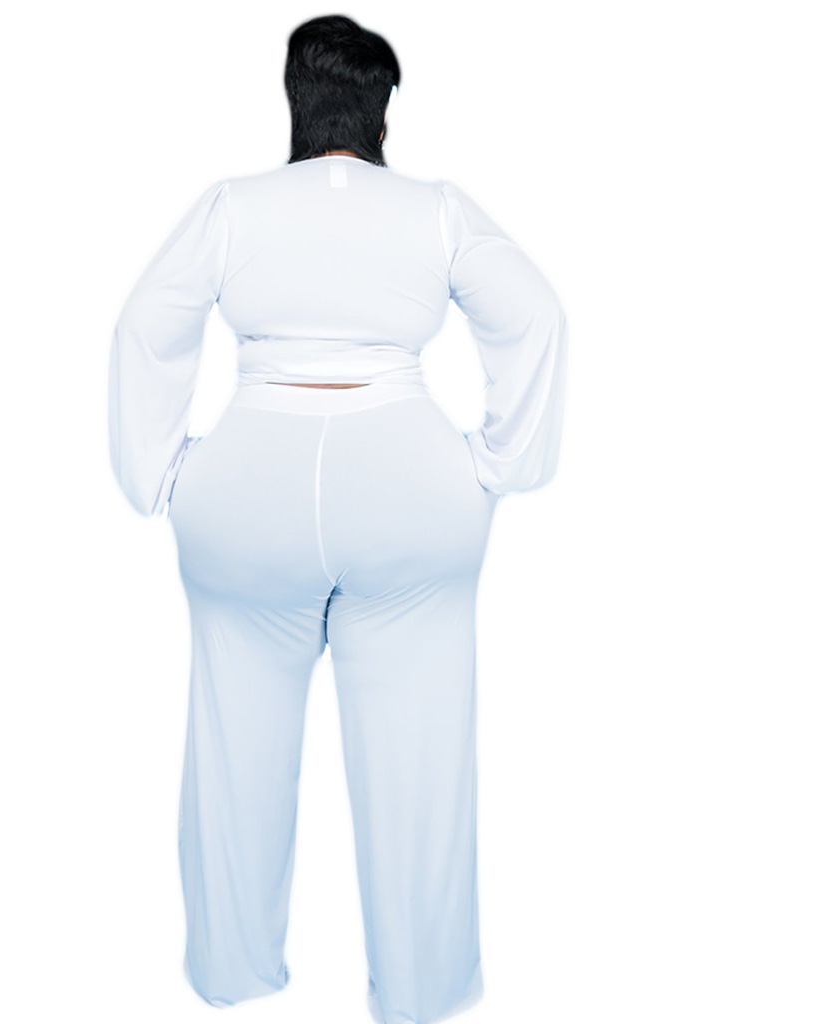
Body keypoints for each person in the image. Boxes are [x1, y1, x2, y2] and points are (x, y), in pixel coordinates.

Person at [107, 14, 568, 1024]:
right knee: (421, 757)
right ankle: (422, 990)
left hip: (248, 488)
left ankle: (231, 971)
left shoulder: (231, 206)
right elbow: (536, 313)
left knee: (233, 740)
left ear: (293, 104)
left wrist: (161, 476)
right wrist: (501, 465)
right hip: (409, 486)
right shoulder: (437, 210)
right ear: (382, 115)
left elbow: (145, 322)